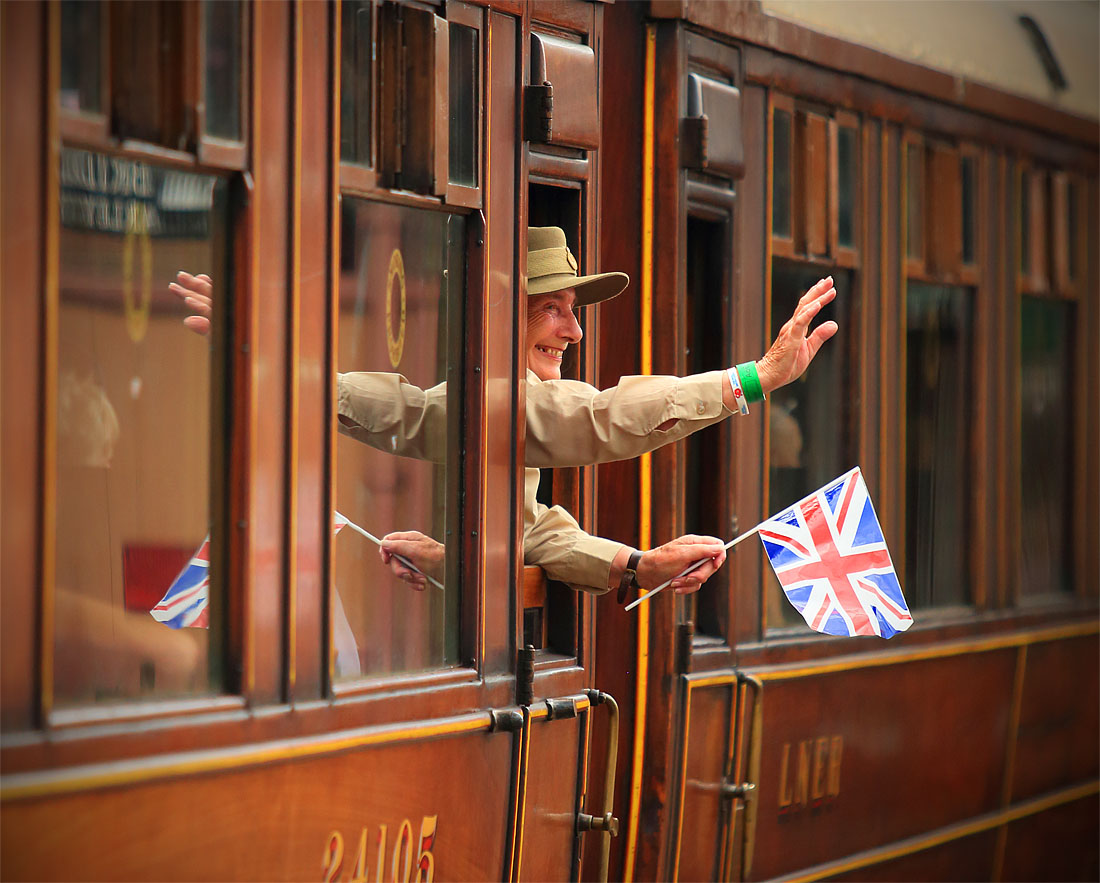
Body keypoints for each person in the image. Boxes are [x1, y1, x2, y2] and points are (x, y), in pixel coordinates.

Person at [170, 227, 835, 599]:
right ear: (497, 320)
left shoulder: (492, 399)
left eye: (575, 311)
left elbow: (534, 534)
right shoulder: (499, 397)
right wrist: (754, 377)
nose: (574, 332)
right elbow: (605, 419)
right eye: (554, 309)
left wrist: (639, 565)